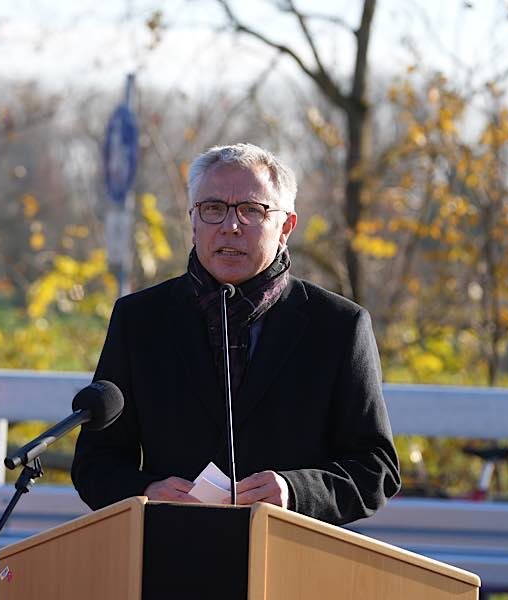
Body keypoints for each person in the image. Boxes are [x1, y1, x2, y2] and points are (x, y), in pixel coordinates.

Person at [71, 143, 400, 525]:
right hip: (171, 556)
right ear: (193, 221)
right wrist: (146, 493)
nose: (230, 226)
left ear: (286, 227)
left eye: (252, 211)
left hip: (291, 562)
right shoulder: (140, 319)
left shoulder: (339, 326)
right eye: (213, 209)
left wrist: (295, 491)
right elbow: (96, 461)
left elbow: (376, 470)